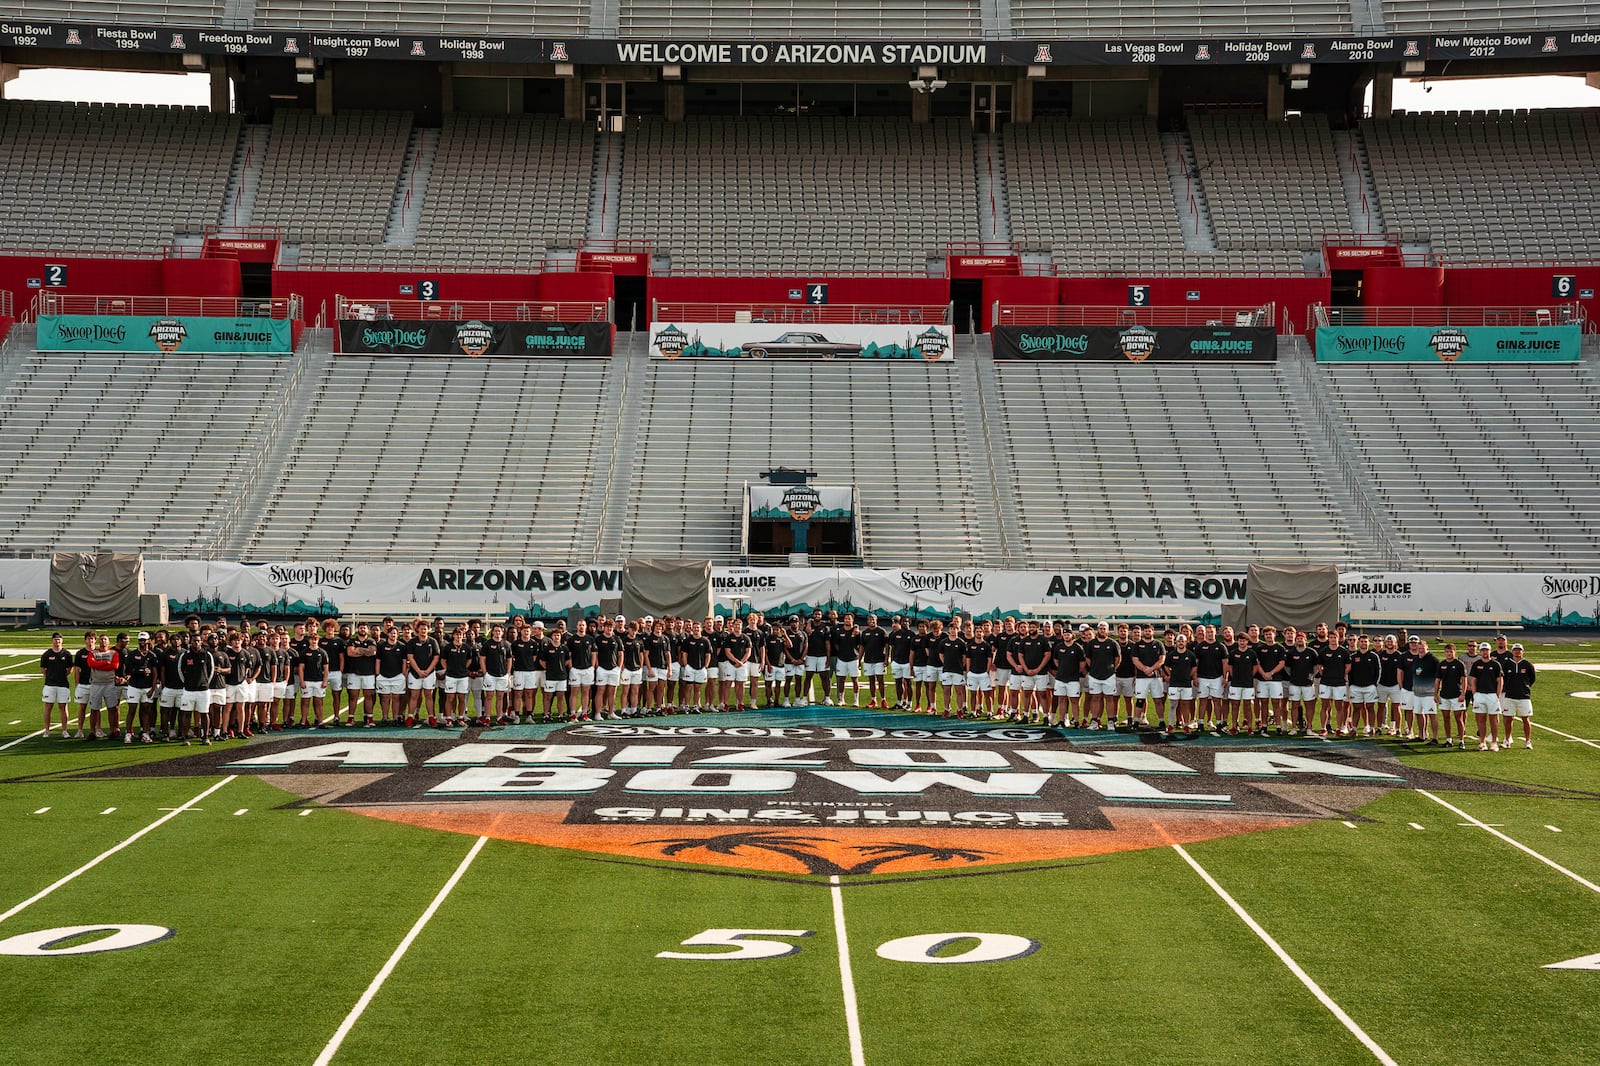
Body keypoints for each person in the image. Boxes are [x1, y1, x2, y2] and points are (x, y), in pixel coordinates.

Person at [176, 633, 215, 746]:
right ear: (190, 642)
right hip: (188, 690)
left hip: (203, 690)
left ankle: (205, 737)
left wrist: (206, 682)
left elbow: (211, 670)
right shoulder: (185, 655)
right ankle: (185, 737)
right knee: (186, 714)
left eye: (198, 641)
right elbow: (180, 670)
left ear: (201, 642)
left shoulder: (207, 654)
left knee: (204, 713)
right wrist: (186, 683)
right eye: (194, 641)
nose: (196, 643)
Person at [1467, 642, 1505, 751]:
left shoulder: (1495, 664)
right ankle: (1482, 742)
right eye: (1483, 650)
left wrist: (1497, 694)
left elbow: (1500, 681)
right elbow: (1473, 680)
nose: (1485, 652)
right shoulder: (1476, 664)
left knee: (1493, 719)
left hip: (1492, 695)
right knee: (1481, 719)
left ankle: (1494, 742)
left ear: (1489, 651)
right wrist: (1475, 694)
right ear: (1480, 651)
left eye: (1486, 650)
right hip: (1480, 694)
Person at [1083, 622, 1120, 730]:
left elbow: (1117, 659)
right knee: (1095, 698)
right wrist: (1094, 668)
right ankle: (1094, 721)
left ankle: (1110, 721)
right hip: (1094, 676)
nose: (1102, 630)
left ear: (1107, 630)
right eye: (1100, 628)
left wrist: (1112, 669)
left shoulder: (1113, 643)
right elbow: (1088, 659)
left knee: (1109, 698)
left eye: (1104, 628)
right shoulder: (1091, 643)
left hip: (1109, 676)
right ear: (1097, 630)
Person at [39, 632, 74, 739]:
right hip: (50, 684)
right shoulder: (47, 654)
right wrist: (50, 677)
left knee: (63, 707)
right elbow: (43, 669)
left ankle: (64, 730)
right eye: (55, 640)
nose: (57, 642)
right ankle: (47, 730)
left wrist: (62, 676)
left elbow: (70, 669)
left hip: (63, 685)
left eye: (59, 640)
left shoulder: (67, 654)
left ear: (62, 641)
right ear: (52, 641)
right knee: (48, 707)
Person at [1502, 643, 1537, 749]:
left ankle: (1528, 741)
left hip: (1524, 696)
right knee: (1508, 719)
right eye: (1515, 650)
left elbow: (1532, 679)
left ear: (1522, 651)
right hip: (1509, 695)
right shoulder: (1507, 664)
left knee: (1525, 719)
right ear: (1512, 651)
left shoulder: (1527, 664)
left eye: (1519, 650)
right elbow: (1503, 677)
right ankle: (1507, 739)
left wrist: (1525, 687)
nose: (1517, 652)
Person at [1408, 637, 1441, 743]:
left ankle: (1435, 737)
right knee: (1418, 713)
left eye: (1423, 648)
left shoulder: (1433, 660)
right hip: (1417, 693)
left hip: (1429, 693)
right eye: (1419, 648)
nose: (1421, 650)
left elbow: (1439, 676)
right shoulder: (1416, 659)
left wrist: (1436, 691)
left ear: (1427, 648)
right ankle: (1422, 735)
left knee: (1432, 715)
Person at [1163, 632, 1196, 734]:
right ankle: (1170, 725)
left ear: (1186, 642)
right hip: (1174, 684)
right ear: (1176, 642)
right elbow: (1166, 666)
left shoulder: (1190, 655)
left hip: (1186, 684)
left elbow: (1194, 667)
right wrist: (1171, 674)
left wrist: (1189, 675)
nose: (1181, 643)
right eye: (1179, 641)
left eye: (1183, 641)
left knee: (1185, 705)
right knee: (1173, 705)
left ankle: (1186, 725)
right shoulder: (1171, 654)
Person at [1436, 642, 1468, 748]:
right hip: (1444, 695)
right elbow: (1437, 680)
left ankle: (1461, 740)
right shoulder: (1441, 664)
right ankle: (1448, 739)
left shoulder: (1459, 664)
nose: (1449, 654)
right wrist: (1435, 694)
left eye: (1451, 651)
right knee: (1446, 718)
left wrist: (1463, 694)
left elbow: (1464, 680)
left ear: (1455, 652)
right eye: (1447, 652)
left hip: (1456, 695)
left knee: (1459, 718)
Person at [298, 631, 330, 729]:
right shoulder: (304, 652)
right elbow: (301, 668)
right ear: (309, 640)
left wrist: (325, 681)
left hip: (319, 681)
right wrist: (302, 681)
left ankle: (320, 721)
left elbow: (326, 668)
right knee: (305, 701)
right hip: (307, 680)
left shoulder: (322, 653)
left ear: (318, 640)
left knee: (318, 702)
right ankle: (303, 722)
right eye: (311, 639)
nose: (313, 641)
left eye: (315, 639)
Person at [541, 629, 571, 721]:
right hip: (550, 677)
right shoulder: (547, 648)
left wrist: (560, 668)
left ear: (560, 636)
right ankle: (546, 715)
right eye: (554, 635)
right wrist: (549, 668)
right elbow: (542, 661)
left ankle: (560, 716)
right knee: (548, 697)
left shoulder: (564, 648)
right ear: (552, 637)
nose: (556, 637)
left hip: (562, 677)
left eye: (558, 635)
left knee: (560, 697)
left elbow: (567, 660)